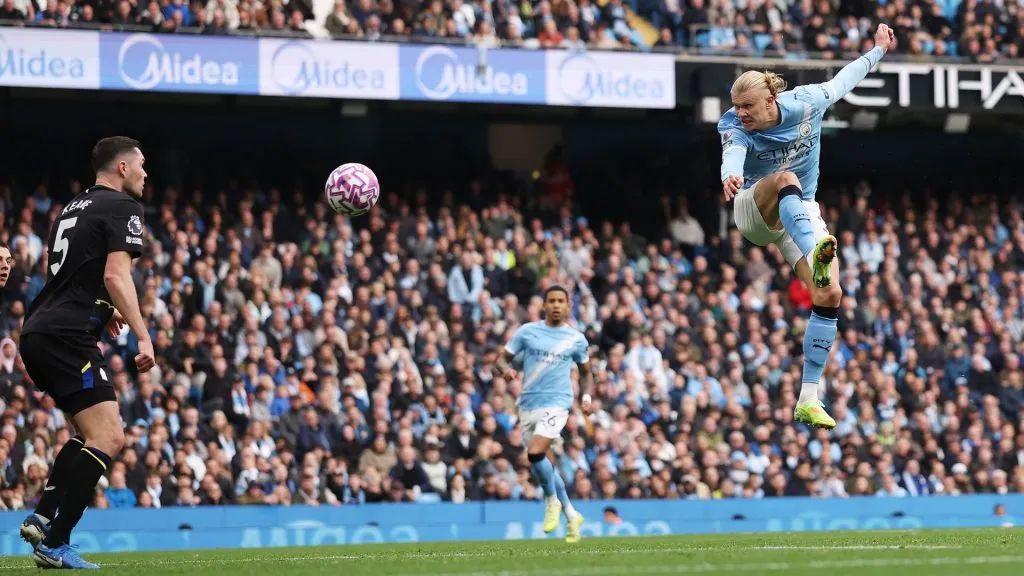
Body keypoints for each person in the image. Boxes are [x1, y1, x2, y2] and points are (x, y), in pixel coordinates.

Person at [717, 24, 897, 430]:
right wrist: (730, 174)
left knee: (830, 291)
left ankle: (808, 397)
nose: (741, 113)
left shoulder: (807, 102)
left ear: (770, 99)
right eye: (737, 106)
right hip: (756, 209)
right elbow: (733, 153)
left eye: (748, 106)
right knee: (785, 178)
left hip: (799, 211)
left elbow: (843, 81)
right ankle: (816, 251)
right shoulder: (733, 125)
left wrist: (878, 51)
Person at [18, 136, 155, 570]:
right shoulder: (123, 207)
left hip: (40, 330)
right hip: (67, 336)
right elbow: (116, 273)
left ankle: (42, 517)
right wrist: (142, 333)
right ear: (121, 168)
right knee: (110, 436)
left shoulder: (73, 207)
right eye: (142, 165)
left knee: (88, 433)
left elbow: (71, 276)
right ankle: (55, 543)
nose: (146, 173)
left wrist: (104, 308)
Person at [503, 285, 592, 543]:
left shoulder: (576, 339)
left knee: (535, 452)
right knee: (543, 465)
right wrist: (504, 371)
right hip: (528, 404)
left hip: (558, 403)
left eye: (560, 301)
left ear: (568, 306)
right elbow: (502, 359)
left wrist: (585, 397)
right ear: (544, 305)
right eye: (551, 301)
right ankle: (571, 514)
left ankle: (551, 500)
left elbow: (586, 373)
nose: (555, 305)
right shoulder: (527, 332)